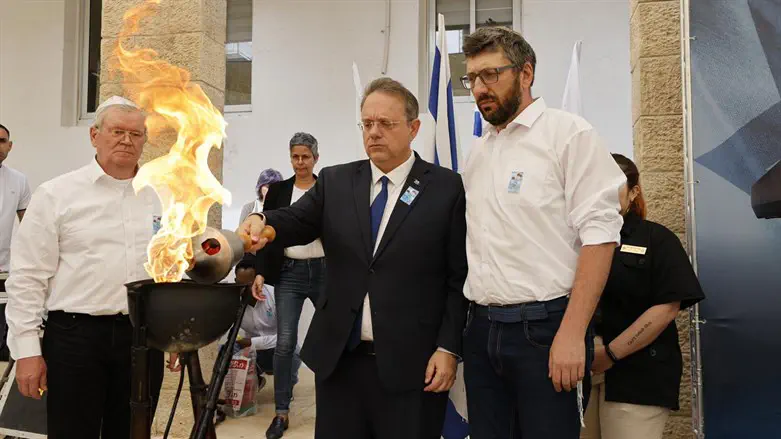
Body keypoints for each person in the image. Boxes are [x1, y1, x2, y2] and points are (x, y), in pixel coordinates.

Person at [239, 77, 468, 439]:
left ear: (413, 128)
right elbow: (297, 221)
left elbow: (458, 278)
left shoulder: (446, 187)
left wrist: (448, 347)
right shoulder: (336, 181)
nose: (374, 133)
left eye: (386, 124)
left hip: (412, 364)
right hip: (340, 360)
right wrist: (263, 220)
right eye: (367, 124)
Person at [459, 27, 627, 439]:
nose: (480, 88)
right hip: (481, 330)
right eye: (472, 79)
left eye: (490, 75)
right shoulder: (479, 152)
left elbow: (601, 235)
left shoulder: (569, 135)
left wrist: (572, 333)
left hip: (545, 329)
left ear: (526, 73)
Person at [4, 96, 165, 439]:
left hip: (142, 338)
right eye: (117, 131)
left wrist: (175, 333)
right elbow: (28, 277)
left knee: (134, 432)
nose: (126, 140)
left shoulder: (160, 195)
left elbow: (170, 267)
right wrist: (27, 351)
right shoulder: (57, 195)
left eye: (135, 134)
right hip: (76, 339)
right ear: (94, 135)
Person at [581, 154, 705, 439]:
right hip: (579, 372)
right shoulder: (576, 239)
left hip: (637, 373)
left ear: (634, 191)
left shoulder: (656, 240)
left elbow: (667, 307)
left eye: (612, 186)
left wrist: (611, 353)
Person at [238, 132, 325, 439]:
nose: (300, 162)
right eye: (295, 157)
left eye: (306, 156)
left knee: (332, 337)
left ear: (316, 157)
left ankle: (333, 407)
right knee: (285, 341)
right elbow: (264, 237)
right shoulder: (278, 190)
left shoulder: (326, 187)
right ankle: (281, 412)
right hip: (290, 270)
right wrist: (260, 272)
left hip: (325, 270)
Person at [0, 123, 31, 274]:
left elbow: (29, 226)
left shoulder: (18, 180)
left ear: (10, 146)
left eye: (2, 141)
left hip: (3, 268)